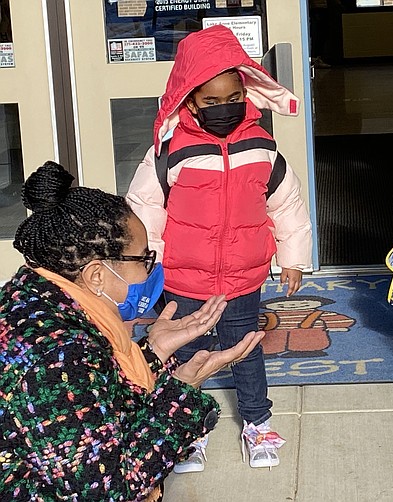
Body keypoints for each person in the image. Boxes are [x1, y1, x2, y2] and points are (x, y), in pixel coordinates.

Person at [0, 161, 264, 500]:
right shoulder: (54, 355)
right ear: (97, 276)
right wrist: (181, 393)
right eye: (143, 259)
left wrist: (152, 354)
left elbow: (91, 400)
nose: (151, 271)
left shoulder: (38, 302)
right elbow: (108, 489)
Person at [126, 25, 312, 471]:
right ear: (190, 99)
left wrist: (293, 259)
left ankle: (256, 420)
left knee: (245, 347)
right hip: (185, 277)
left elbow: (287, 203)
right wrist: (145, 268)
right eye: (211, 102)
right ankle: (188, 428)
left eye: (232, 99)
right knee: (187, 353)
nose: (224, 108)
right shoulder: (169, 152)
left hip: (243, 277)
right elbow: (145, 210)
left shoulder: (261, 146)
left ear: (244, 92)